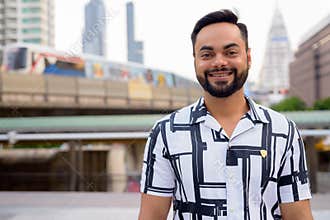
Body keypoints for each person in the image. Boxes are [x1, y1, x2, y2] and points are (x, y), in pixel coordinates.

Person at [138, 9, 313, 220]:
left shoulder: (283, 131)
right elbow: (151, 216)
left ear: (248, 57)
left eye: (230, 52)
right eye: (207, 54)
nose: (219, 62)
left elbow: (298, 216)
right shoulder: (166, 132)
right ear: (195, 61)